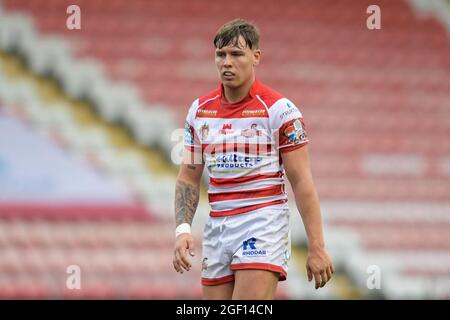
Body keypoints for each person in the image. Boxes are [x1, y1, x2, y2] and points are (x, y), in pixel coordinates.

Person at [173, 18, 334, 300]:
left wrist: (317, 246)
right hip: (217, 227)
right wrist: (182, 229)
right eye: (220, 55)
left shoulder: (280, 111)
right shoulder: (198, 111)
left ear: (256, 57)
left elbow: (301, 180)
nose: (227, 62)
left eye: (236, 54)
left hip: (262, 222)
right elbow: (188, 177)